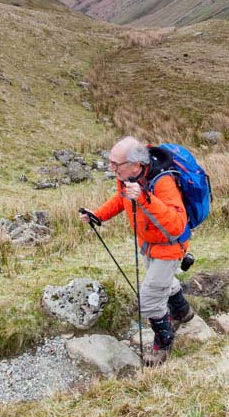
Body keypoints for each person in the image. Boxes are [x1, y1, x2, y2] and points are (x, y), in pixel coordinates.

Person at [80, 136, 195, 365]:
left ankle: (164, 342)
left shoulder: (163, 183)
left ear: (135, 164)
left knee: (150, 297)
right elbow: (121, 199)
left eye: (116, 164)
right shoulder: (127, 177)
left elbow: (177, 224)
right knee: (162, 282)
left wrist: (144, 198)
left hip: (170, 247)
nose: (112, 168)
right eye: (110, 162)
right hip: (149, 244)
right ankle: (182, 312)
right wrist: (98, 215)